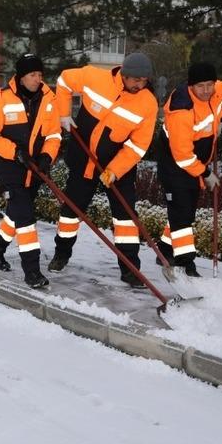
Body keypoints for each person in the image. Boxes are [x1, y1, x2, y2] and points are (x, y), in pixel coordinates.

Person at [47, 52, 158, 288]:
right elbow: (65, 81)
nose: (140, 85)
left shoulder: (147, 103)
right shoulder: (94, 77)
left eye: (144, 80)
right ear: (124, 74)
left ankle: (130, 269)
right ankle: (61, 254)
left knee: (126, 217)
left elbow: (138, 145)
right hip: (83, 159)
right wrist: (63, 113)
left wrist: (115, 170)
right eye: (135, 80)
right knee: (71, 210)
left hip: (118, 165)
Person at [0, 53, 61, 288]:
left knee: (15, 213)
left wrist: (47, 156)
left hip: (35, 168)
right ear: (21, 77)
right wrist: (14, 151)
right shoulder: (2, 99)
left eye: (40, 74)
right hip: (11, 168)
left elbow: (54, 134)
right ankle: (32, 271)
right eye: (33, 75)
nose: (38, 79)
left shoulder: (48, 98)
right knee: (25, 218)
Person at [156, 62, 222, 277]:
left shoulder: (219, 90)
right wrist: (206, 174)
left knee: (186, 212)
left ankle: (165, 249)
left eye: (209, 85)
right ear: (191, 86)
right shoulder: (182, 108)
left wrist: (221, 119)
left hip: (195, 160)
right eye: (200, 86)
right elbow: (183, 156)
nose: (206, 91)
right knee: (182, 215)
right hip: (174, 164)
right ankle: (186, 265)